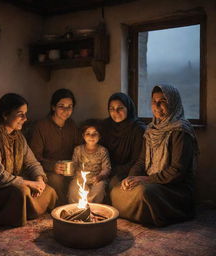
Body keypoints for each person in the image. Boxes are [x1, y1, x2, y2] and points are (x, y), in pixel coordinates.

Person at [110, 84, 199, 227]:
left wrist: (145, 178)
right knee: (116, 190)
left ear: (173, 103)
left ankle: (152, 215)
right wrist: (131, 178)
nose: (156, 106)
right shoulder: (151, 130)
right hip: (151, 180)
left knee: (144, 193)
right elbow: (141, 161)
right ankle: (143, 214)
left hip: (174, 187)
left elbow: (177, 171)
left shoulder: (181, 131)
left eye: (162, 101)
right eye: (153, 101)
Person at [0, 93, 57, 227]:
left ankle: (23, 210)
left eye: (25, 114)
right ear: (5, 115)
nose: (25, 118)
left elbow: (32, 163)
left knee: (48, 190)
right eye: (20, 114)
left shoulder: (19, 137)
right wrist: (29, 183)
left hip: (10, 185)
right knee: (21, 192)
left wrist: (39, 180)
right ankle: (19, 212)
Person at [29, 88, 80, 205]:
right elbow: (34, 157)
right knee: (57, 180)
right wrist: (53, 166)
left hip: (68, 169)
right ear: (53, 107)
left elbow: (79, 147)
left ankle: (78, 208)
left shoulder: (72, 125)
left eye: (70, 106)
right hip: (47, 169)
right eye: (61, 106)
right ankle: (61, 209)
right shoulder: (41, 127)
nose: (66, 110)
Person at [101, 92, 146, 188]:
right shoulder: (105, 126)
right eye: (111, 109)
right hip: (105, 169)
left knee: (114, 183)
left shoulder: (138, 129)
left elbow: (137, 160)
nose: (115, 112)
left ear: (128, 108)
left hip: (128, 171)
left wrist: (112, 171)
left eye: (120, 108)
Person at [68, 119, 111, 204]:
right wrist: (78, 176)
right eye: (88, 134)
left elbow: (107, 168)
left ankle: (93, 209)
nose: (91, 137)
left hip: (97, 179)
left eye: (95, 134)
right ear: (83, 136)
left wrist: (100, 177)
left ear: (100, 136)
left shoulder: (103, 151)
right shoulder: (78, 150)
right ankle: (76, 209)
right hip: (80, 179)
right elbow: (74, 165)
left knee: (99, 188)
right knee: (74, 188)